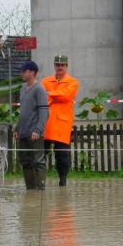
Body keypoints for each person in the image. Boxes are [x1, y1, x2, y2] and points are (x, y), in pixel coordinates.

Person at [41, 55, 79, 187]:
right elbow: (41, 97)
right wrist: (58, 94)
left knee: (63, 156)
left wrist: (50, 94)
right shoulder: (45, 81)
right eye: (57, 64)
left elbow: (66, 95)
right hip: (46, 123)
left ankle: (63, 180)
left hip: (62, 125)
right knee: (41, 154)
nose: (60, 67)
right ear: (54, 66)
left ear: (66, 66)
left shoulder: (73, 82)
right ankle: (40, 180)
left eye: (62, 65)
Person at [13, 61, 49, 190]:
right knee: (25, 161)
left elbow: (44, 111)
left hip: (34, 133)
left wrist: (38, 129)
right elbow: (23, 111)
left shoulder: (39, 89)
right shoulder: (23, 89)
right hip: (23, 132)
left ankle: (40, 190)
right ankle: (30, 190)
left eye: (24, 71)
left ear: (32, 72)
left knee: (38, 161)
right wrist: (17, 128)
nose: (22, 73)